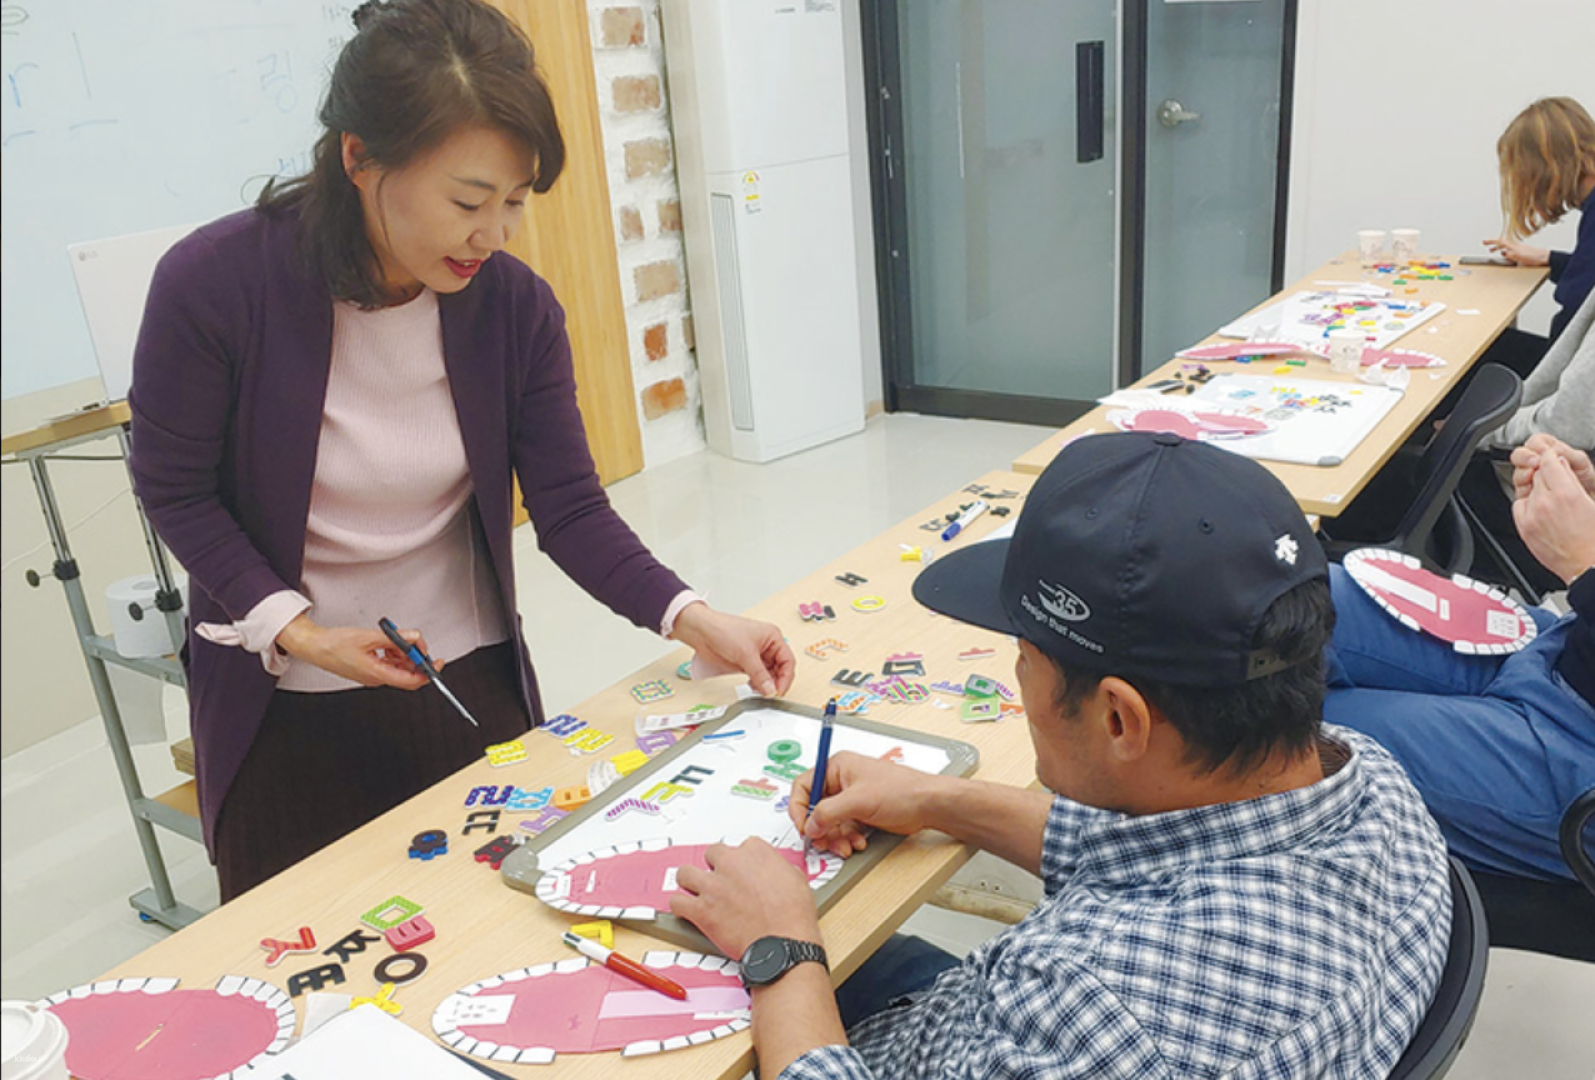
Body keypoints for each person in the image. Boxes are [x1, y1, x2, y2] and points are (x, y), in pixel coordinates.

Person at [127, 0, 793, 901]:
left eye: (515, 202)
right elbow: (175, 491)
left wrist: (689, 615)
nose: (495, 234)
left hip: (456, 681)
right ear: (359, 159)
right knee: (306, 959)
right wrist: (300, 629)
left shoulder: (513, 308)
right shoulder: (214, 286)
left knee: (494, 919)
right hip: (277, 703)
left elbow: (569, 508)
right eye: (467, 201)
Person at [669, 432, 1452, 1080]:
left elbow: (1101, 1002)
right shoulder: (1372, 781)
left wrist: (781, 950)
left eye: (1024, 660)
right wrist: (938, 799)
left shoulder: (1099, 1007)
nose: (1016, 682)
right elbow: (1166, 851)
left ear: (1119, 718)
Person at [1326, 432, 1594, 884]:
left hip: (1575, 753)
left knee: (1278, 723)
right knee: (1284, 600)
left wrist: (1585, 562)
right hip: (1562, 650)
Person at [1461, 289, 1595, 594]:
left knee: (1374, 486)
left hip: (1550, 519)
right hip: (1566, 482)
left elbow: (1567, 422)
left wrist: (1477, 427)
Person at [1479, 96, 1595, 376]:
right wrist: (1548, 259)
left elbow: (1579, 304)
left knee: (1472, 357)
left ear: (1543, 167)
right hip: (1574, 364)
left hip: (1568, 373)